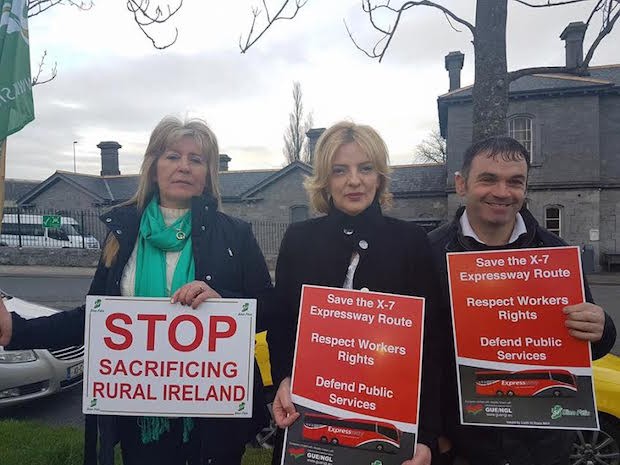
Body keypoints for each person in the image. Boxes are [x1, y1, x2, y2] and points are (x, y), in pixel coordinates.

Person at [0, 116, 273, 465]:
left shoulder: (235, 234)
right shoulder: (122, 234)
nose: (184, 167)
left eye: (196, 159)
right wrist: (17, 330)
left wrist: (226, 305)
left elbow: (270, 306)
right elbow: (96, 319)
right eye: (173, 156)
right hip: (141, 414)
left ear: (208, 173)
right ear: (154, 165)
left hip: (213, 417)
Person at [428, 136, 617, 465]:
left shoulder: (555, 253)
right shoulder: (429, 253)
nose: (502, 192)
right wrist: (435, 436)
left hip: (542, 445)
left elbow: (589, 345)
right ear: (461, 184)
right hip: (462, 447)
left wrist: (602, 328)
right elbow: (420, 358)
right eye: (488, 179)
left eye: (514, 181)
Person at [267, 121, 444, 465]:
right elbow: (282, 325)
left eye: (365, 168)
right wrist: (284, 378)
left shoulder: (411, 242)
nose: (354, 180)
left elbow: (430, 344)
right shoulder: (298, 239)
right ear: (324, 179)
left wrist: (428, 437)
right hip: (310, 417)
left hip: (388, 420)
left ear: (379, 177)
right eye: (340, 170)